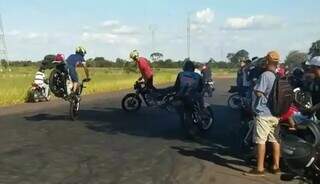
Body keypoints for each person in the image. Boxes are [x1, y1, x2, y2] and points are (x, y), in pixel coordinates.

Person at [245, 51, 281, 176]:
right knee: (274, 140)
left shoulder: (266, 75)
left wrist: (257, 90)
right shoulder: (277, 75)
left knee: (260, 141)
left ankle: (259, 169)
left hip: (264, 113)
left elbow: (259, 92)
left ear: (267, 61)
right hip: (275, 114)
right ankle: (276, 167)